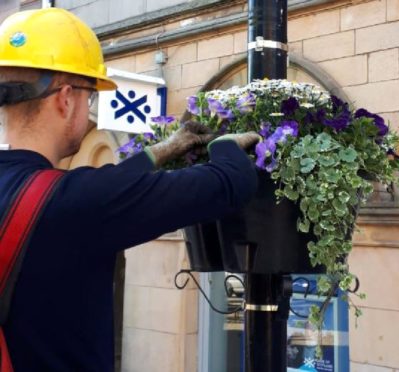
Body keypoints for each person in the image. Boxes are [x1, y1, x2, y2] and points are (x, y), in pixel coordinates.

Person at [0, 8, 259, 371]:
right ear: (66, 98)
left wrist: (160, 151)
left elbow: (99, 190)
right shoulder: (80, 203)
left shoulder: (62, 196)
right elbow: (232, 181)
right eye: (90, 96)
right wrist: (225, 143)